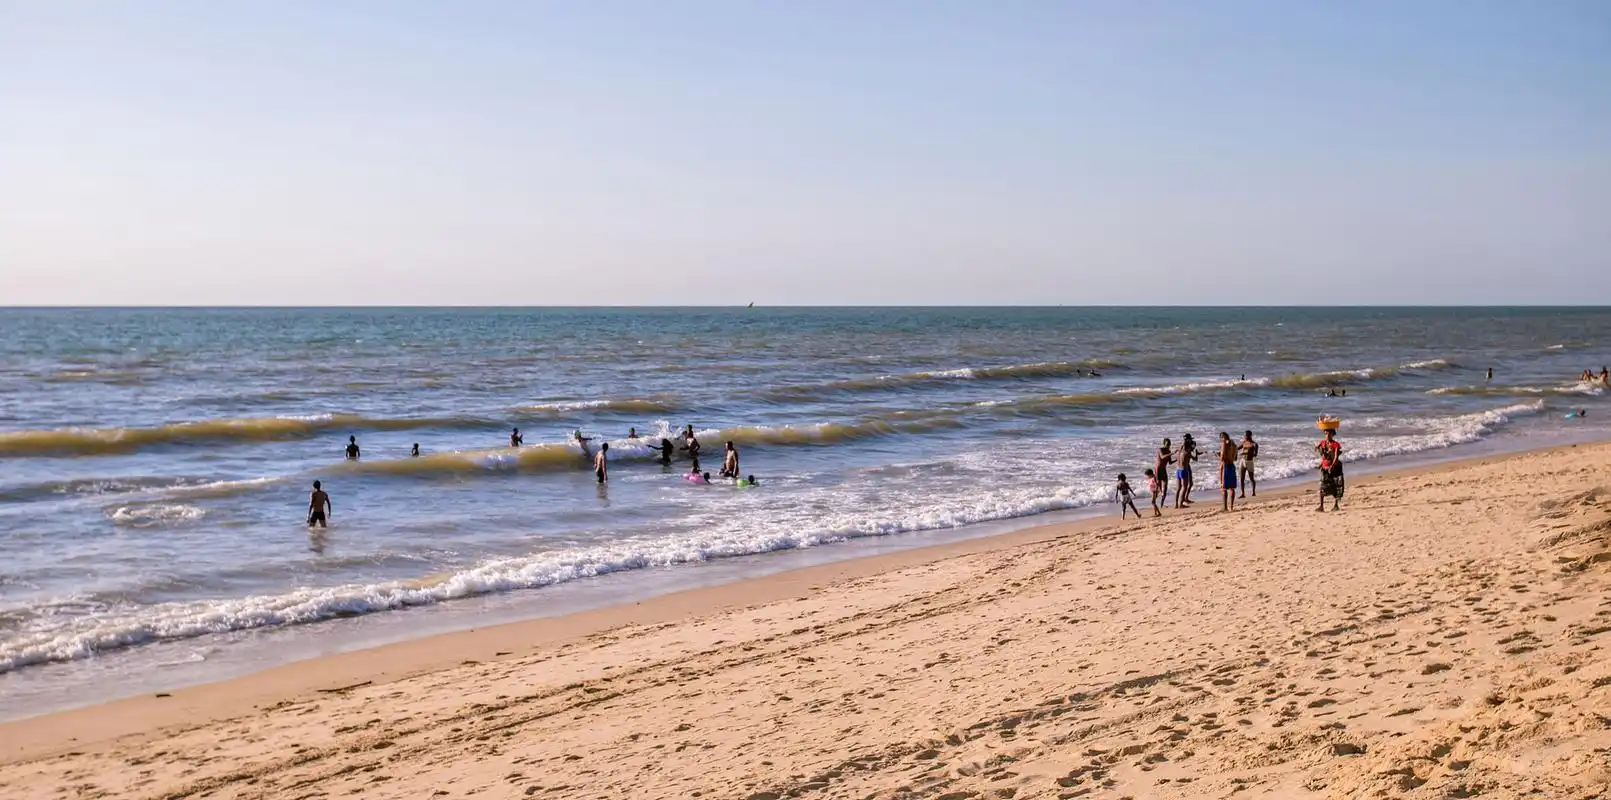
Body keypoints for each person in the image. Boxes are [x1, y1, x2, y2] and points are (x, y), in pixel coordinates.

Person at [1317, 428, 1344, 512]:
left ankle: (1336, 505)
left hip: (1334, 468)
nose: (1327, 435)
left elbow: (1336, 457)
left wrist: (1332, 465)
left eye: (1329, 433)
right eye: (1326, 433)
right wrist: (1321, 464)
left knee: (1336, 486)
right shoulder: (1322, 443)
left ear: (1333, 434)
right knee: (1322, 486)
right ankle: (1321, 506)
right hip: (1325, 467)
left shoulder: (1335, 444)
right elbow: (1322, 455)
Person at [1177, 434, 1199, 508]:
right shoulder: (1188, 452)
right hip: (1184, 469)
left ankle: (1179, 502)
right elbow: (1195, 459)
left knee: (1181, 487)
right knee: (1184, 487)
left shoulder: (1181, 450)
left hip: (1179, 469)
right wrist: (1196, 454)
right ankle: (1181, 503)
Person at [1218, 432, 1238, 512]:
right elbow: (1235, 458)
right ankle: (1232, 507)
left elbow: (1222, 458)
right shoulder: (1234, 445)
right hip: (1232, 465)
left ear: (1222, 437)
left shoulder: (1224, 444)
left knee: (1224, 488)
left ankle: (1225, 507)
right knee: (1232, 488)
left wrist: (1218, 455)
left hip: (1225, 466)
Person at [1238, 430, 1258, 499]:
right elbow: (1237, 448)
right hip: (1242, 461)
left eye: (1246, 436)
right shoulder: (1244, 442)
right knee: (1241, 478)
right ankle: (1243, 493)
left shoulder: (1254, 444)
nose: (1245, 437)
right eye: (1244, 436)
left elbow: (1255, 455)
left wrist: (1246, 453)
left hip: (1249, 462)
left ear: (1249, 436)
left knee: (1251, 478)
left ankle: (1253, 492)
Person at [1154, 439, 1175, 507]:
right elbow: (1162, 457)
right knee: (1158, 487)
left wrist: (1178, 459)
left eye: (1169, 443)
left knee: (1165, 488)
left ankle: (1162, 504)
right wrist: (1172, 453)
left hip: (1164, 470)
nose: (1168, 445)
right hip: (1158, 470)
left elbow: (1170, 462)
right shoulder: (1160, 449)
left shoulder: (1169, 451)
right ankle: (1153, 502)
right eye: (1167, 443)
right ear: (1164, 444)